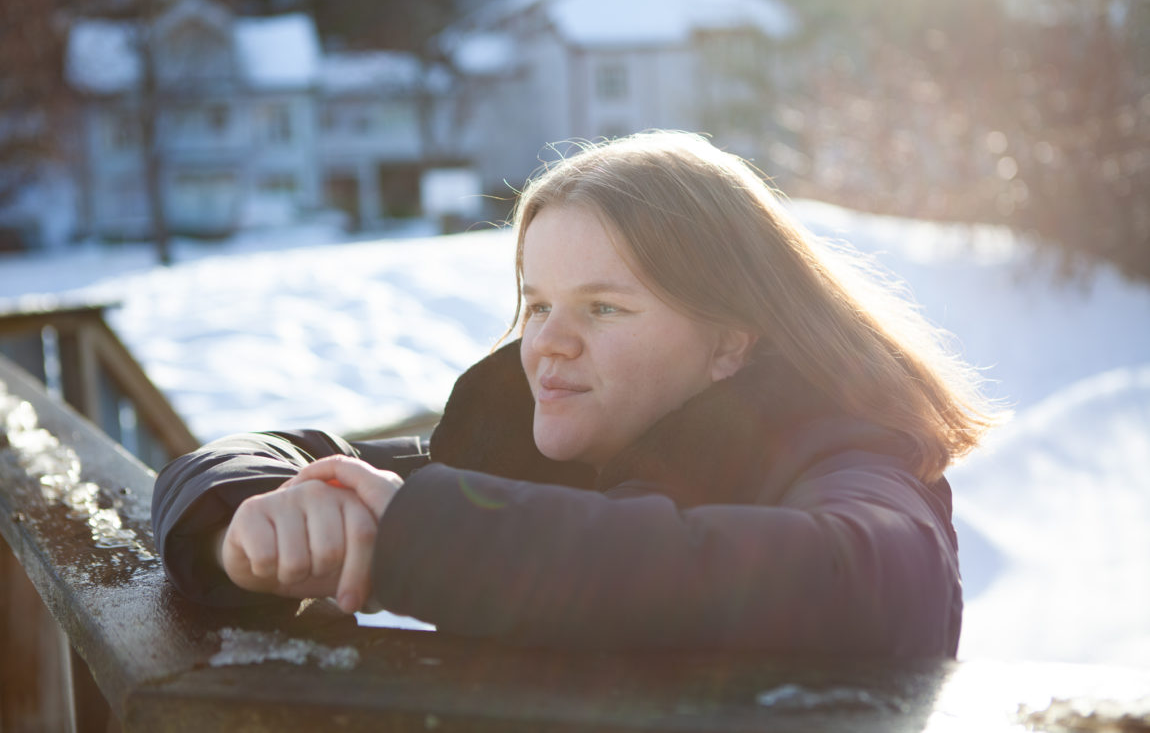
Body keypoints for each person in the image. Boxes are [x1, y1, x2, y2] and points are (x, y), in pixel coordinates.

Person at [152, 131, 1001, 657]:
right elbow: (252, 457)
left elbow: (878, 583)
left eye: (603, 307)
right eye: (538, 304)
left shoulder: (842, 452)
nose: (548, 341)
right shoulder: (537, 449)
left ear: (732, 339)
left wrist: (415, 536)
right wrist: (249, 520)